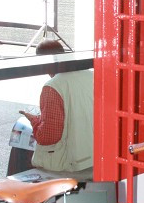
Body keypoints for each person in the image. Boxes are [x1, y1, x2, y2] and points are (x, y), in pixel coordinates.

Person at [15, 39, 93, 174]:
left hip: (70, 165)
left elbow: (48, 137)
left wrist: (33, 120)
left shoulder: (53, 87)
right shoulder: (91, 75)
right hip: (94, 155)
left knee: (20, 151)